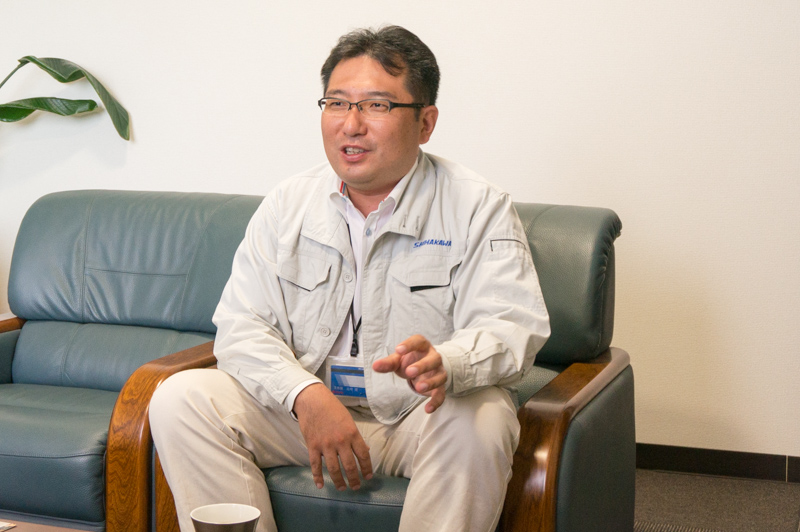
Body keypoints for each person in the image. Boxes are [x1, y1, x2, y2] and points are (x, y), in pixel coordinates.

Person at [149, 25, 550, 532]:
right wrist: (305, 396)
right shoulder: (288, 203)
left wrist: (446, 363)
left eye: (376, 106)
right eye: (337, 103)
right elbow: (242, 325)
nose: (351, 124)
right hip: (306, 416)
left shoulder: (477, 205)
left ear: (425, 122)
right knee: (181, 398)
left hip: (416, 417)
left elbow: (511, 324)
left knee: (483, 415)